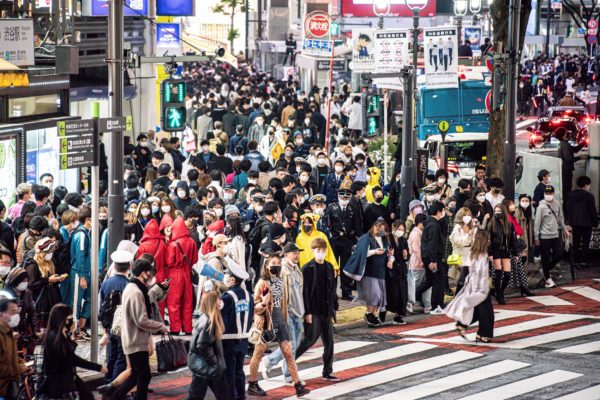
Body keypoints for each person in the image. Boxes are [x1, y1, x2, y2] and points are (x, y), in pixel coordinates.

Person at [247, 255, 310, 397]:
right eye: (273, 263)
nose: (277, 265)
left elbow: (283, 302)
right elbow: (255, 306)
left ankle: (298, 385)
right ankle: (252, 383)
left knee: (288, 352)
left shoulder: (280, 281)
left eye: (278, 263)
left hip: (280, 319)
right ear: (266, 265)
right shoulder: (262, 283)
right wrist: (263, 303)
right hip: (265, 321)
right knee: (259, 352)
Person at [112, 259, 168, 400]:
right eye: (149, 272)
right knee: (142, 375)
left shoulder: (133, 288)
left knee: (137, 374)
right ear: (143, 273)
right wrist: (160, 326)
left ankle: (115, 396)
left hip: (134, 339)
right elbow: (141, 320)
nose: (150, 275)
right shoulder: (135, 291)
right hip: (135, 340)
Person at [37, 303, 106, 400]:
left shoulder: (61, 334)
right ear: (62, 319)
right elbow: (71, 358)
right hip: (60, 384)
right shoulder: (54, 337)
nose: (71, 320)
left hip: (67, 379)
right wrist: (98, 367)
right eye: (69, 317)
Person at [261, 243, 305, 384]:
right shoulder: (283, 270)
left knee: (295, 344)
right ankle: (289, 376)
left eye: (298, 252)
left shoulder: (296, 268)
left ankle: (269, 360)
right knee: (290, 346)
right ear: (286, 255)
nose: (297, 255)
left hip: (298, 311)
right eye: (294, 253)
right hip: (288, 312)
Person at [444, 229, 495, 343]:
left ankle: (462, 325)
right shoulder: (482, 254)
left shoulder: (473, 252)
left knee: (477, 309)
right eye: (487, 239)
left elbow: (465, 271)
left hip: (472, 286)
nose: (489, 241)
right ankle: (483, 334)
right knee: (487, 311)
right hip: (479, 287)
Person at [344, 218, 393, 327]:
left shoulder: (385, 239)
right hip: (369, 272)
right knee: (374, 295)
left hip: (381, 271)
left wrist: (390, 259)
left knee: (379, 296)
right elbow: (360, 253)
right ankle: (369, 314)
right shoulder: (366, 238)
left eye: (383, 228)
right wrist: (374, 252)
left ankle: (372, 314)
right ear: (374, 227)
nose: (380, 230)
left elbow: (389, 253)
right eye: (379, 227)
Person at [98, 249, 132, 384]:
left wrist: (105, 327)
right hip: (123, 326)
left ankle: (107, 379)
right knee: (121, 356)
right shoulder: (128, 284)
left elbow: (101, 305)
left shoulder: (106, 283)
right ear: (129, 266)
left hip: (109, 323)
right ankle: (114, 383)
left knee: (112, 354)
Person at [188, 291, 229, 400]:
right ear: (212, 303)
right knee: (196, 396)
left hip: (207, 367)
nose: (220, 302)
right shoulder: (208, 321)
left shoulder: (207, 318)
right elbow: (202, 345)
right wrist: (214, 361)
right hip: (206, 367)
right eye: (218, 300)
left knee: (223, 395)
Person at [220, 261, 253, 400]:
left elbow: (218, 315)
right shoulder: (248, 295)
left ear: (233, 279)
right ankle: (241, 395)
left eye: (227, 275)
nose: (225, 277)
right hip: (244, 339)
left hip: (228, 340)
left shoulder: (227, 297)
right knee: (239, 370)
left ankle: (231, 396)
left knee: (229, 372)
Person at [166, 217, 198, 335]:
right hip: (187, 273)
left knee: (174, 302)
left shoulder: (173, 244)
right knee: (188, 302)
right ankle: (188, 328)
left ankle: (175, 328)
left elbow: (169, 262)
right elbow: (194, 259)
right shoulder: (192, 242)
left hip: (175, 274)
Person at [24, 238, 64, 331]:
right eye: (50, 251)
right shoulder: (33, 264)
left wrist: (57, 279)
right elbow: (31, 284)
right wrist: (48, 280)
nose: (52, 253)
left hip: (51, 297)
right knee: (43, 324)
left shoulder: (49, 262)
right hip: (41, 300)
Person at [534, 185, 568, 288]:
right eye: (546, 194)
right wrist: (536, 238)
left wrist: (565, 229)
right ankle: (548, 279)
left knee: (559, 254)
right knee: (545, 257)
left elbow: (560, 219)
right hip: (544, 236)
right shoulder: (541, 207)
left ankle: (546, 269)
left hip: (555, 235)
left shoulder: (557, 204)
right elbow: (537, 223)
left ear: (553, 193)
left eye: (550, 193)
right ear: (544, 194)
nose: (548, 195)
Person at [415, 201, 446, 315]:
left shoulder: (428, 223)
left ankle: (411, 297)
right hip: (433, 258)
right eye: (443, 211)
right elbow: (433, 243)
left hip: (427, 257)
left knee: (429, 281)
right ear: (439, 211)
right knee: (439, 281)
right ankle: (436, 306)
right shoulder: (434, 225)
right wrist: (433, 260)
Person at [69, 207, 93, 339]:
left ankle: (81, 327)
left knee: (91, 299)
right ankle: (73, 331)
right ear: (88, 219)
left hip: (85, 272)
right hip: (79, 273)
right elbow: (80, 256)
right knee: (76, 302)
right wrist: (82, 276)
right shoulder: (81, 235)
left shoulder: (86, 233)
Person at [567, 176, 598, 266]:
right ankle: (583, 261)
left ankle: (575, 261)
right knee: (585, 243)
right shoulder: (589, 196)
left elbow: (568, 209)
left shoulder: (571, 195)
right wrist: (595, 223)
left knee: (575, 243)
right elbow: (593, 211)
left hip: (575, 223)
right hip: (586, 224)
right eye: (588, 185)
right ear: (585, 185)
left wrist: (570, 221)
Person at [0, 298, 28, 400]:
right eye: (13, 312)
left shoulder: (9, 333)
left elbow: (11, 357)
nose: (16, 315)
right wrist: (19, 369)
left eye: (17, 312)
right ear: (1, 314)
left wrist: (23, 363)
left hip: (9, 388)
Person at [385, 221, 409, 325]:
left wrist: (405, 255)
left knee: (402, 293)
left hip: (401, 269)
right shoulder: (387, 238)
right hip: (390, 270)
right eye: (399, 229)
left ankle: (398, 315)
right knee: (391, 292)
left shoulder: (403, 240)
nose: (401, 232)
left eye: (403, 230)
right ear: (393, 227)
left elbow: (407, 255)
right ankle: (383, 312)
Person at [557, 127, 585, 208]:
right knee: (567, 189)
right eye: (566, 133)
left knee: (567, 189)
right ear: (563, 135)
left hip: (566, 170)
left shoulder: (564, 143)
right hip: (566, 170)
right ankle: (566, 209)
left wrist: (583, 143)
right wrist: (580, 157)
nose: (568, 134)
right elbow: (569, 159)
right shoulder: (564, 144)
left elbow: (575, 150)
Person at [449, 207, 475, 294]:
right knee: (463, 277)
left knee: (466, 278)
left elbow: (474, 240)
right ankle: (458, 295)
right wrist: (468, 236)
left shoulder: (471, 226)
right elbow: (457, 241)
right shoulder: (457, 227)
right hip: (460, 256)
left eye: (469, 215)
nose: (467, 217)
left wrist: (472, 237)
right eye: (465, 215)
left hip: (469, 255)